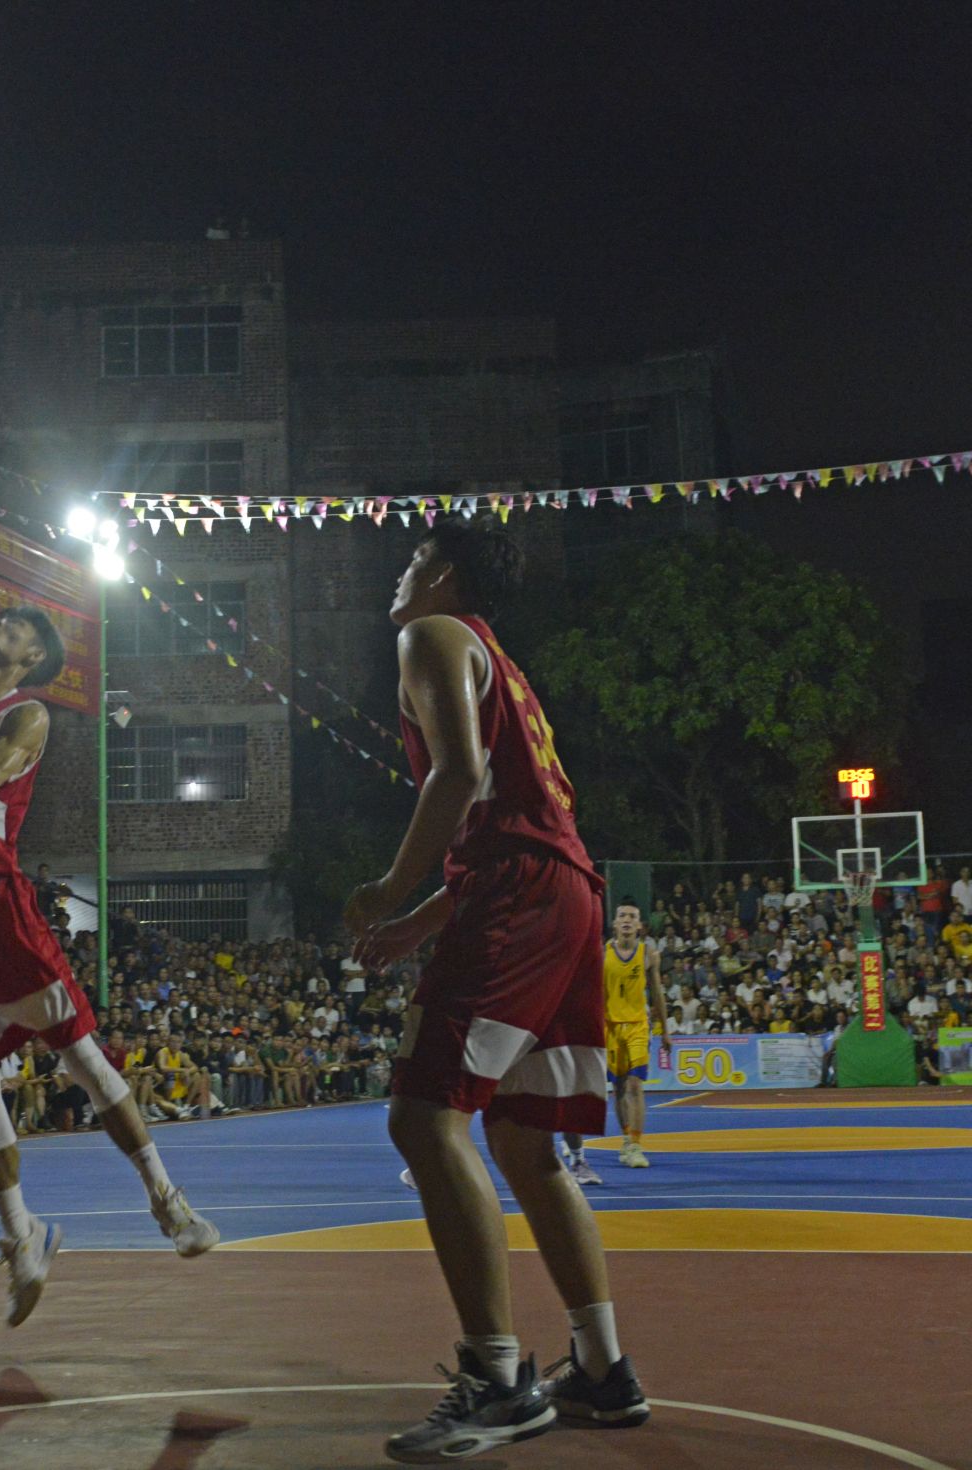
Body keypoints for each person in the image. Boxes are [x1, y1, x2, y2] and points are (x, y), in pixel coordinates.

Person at [345, 518, 647, 1461]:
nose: (398, 577)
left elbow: (461, 777)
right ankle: (601, 1368)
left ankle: (497, 1378)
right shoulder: (502, 662)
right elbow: (509, 823)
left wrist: (389, 888)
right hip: (564, 891)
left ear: (441, 571)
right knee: (525, 1141)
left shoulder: (431, 634)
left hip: (523, 890)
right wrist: (421, 923)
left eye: (410, 560)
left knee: (424, 1119)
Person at [0, 602, 218, 1328]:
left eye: (15, 626)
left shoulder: (26, 716)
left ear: (31, 656)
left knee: (83, 1061)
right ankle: (22, 1238)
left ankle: (168, 1200)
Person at [561, 904, 670, 1182]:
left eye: (632, 916)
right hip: (608, 1026)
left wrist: (665, 1030)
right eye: (622, 916)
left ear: (639, 925)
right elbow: (591, 991)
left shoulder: (648, 954)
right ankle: (624, 1140)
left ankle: (635, 1145)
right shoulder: (601, 952)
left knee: (635, 1084)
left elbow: (657, 992)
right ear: (614, 923)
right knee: (618, 1086)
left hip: (637, 1026)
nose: (627, 921)